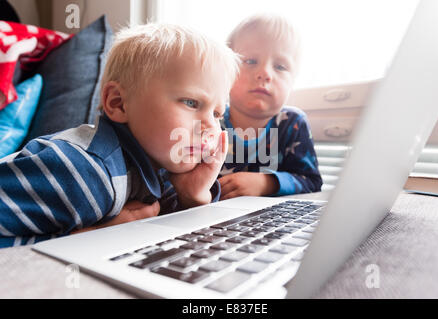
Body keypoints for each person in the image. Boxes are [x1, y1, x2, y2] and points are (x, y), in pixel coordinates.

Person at [0, 23, 240, 248]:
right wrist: (82, 241)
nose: (210, 125)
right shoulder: (84, 172)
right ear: (118, 103)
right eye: (191, 102)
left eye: (218, 113)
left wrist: (193, 196)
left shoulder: (159, 169)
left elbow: (183, 235)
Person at [218, 14, 323, 200]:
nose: (265, 73)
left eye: (280, 67)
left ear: (293, 80)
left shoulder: (292, 123)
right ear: (227, 70)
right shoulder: (210, 120)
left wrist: (266, 183)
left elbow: (312, 182)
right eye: (250, 61)